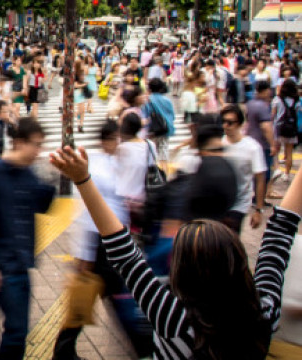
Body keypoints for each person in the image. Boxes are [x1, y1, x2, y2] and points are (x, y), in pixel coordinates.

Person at [49, 137, 302, 360]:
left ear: (182, 273)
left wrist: (82, 179)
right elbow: (279, 236)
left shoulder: (174, 320)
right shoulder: (263, 312)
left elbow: (124, 253)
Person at [52, 120, 153, 359]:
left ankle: (63, 350)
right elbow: (87, 215)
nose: (119, 144)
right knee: (119, 299)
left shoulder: (122, 161)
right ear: (105, 140)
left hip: (118, 240)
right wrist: (84, 256)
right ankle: (143, 348)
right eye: (114, 139)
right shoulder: (95, 166)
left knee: (98, 298)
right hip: (100, 245)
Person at [0, 117, 55, 359]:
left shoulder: (28, 173)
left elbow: (43, 205)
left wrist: (51, 175)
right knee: (18, 331)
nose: (38, 150)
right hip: (2, 263)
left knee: (17, 328)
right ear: (19, 142)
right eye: (36, 144)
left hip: (22, 260)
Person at [221, 104, 268, 233]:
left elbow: (260, 179)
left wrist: (258, 210)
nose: (225, 126)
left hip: (239, 203)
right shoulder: (218, 143)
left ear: (240, 124)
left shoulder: (252, 147)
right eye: (223, 121)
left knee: (231, 239)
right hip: (220, 202)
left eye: (230, 123)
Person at [247, 81, 277, 184]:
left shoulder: (250, 104)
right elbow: (266, 127)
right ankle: (259, 198)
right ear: (265, 91)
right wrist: (272, 144)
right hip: (262, 144)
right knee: (264, 174)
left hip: (251, 141)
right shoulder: (262, 107)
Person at [271, 77, 299, 183]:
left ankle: (276, 169)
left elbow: (273, 115)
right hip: (291, 128)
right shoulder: (296, 100)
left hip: (279, 128)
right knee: (289, 152)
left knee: (276, 150)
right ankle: (287, 174)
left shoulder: (277, 99)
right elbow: (297, 112)